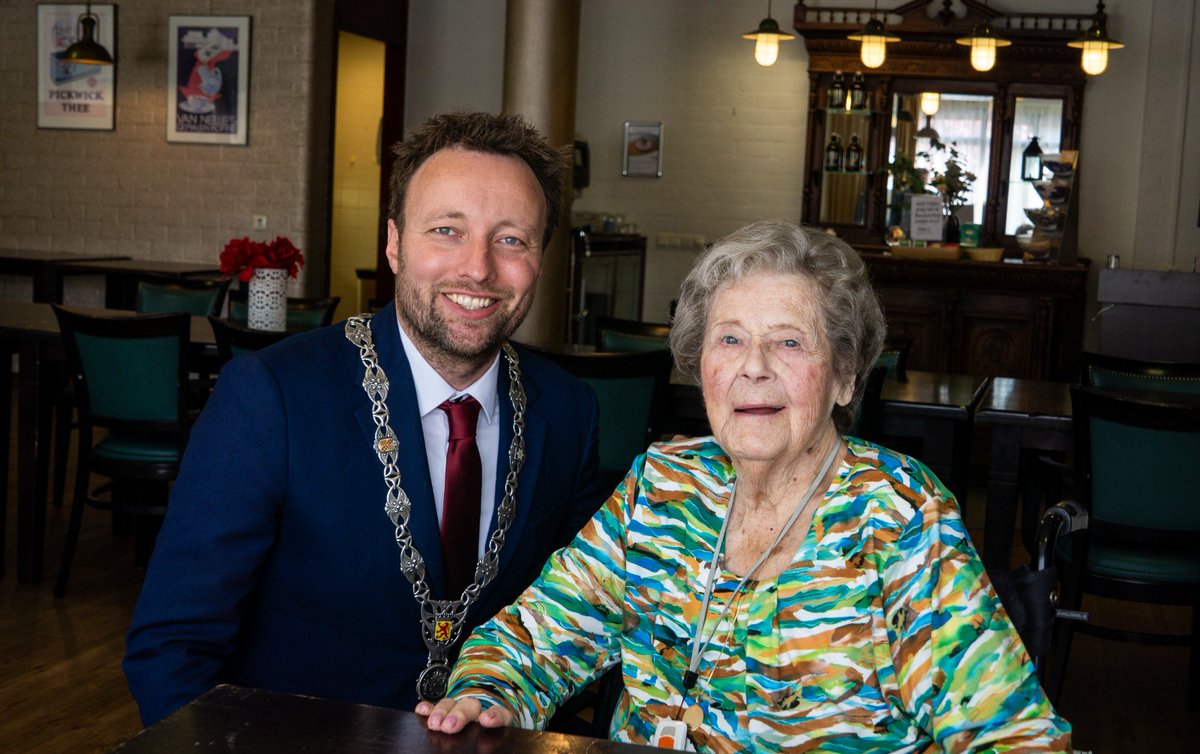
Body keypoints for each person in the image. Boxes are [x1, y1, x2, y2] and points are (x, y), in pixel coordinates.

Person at [418, 220, 1073, 751]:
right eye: (729, 339)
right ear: (699, 364)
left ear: (845, 375)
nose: (753, 367)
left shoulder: (899, 516)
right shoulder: (663, 486)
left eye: (789, 343)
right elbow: (534, 637)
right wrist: (485, 693)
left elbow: (1016, 738)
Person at [123, 111, 608, 725]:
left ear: (540, 257)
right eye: (446, 230)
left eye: (511, 239)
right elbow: (173, 647)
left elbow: (579, 624)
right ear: (394, 243)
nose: (479, 268)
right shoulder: (273, 395)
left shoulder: (567, 409)